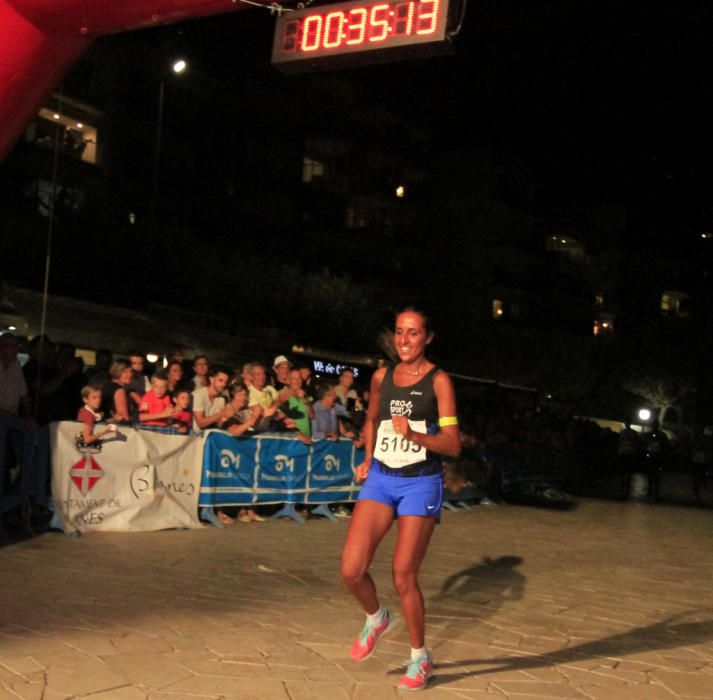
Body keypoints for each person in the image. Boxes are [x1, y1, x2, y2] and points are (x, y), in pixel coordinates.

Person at [340, 308, 460, 692]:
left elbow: (453, 445)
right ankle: (376, 618)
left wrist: (416, 436)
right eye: (399, 332)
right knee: (351, 569)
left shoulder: (440, 382)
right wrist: (367, 458)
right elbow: (373, 419)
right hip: (381, 479)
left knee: (403, 574)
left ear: (428, 337)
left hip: (420, 483)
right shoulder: (381, 377)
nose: (405, 340)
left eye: (413, 333)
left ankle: (419, 657)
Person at [100, 359, 134, 424]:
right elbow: (124, 418)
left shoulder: (106, 386)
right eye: (125, 372)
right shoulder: (119, 390)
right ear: (117, 372)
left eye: (131, 371)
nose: (130, 375)